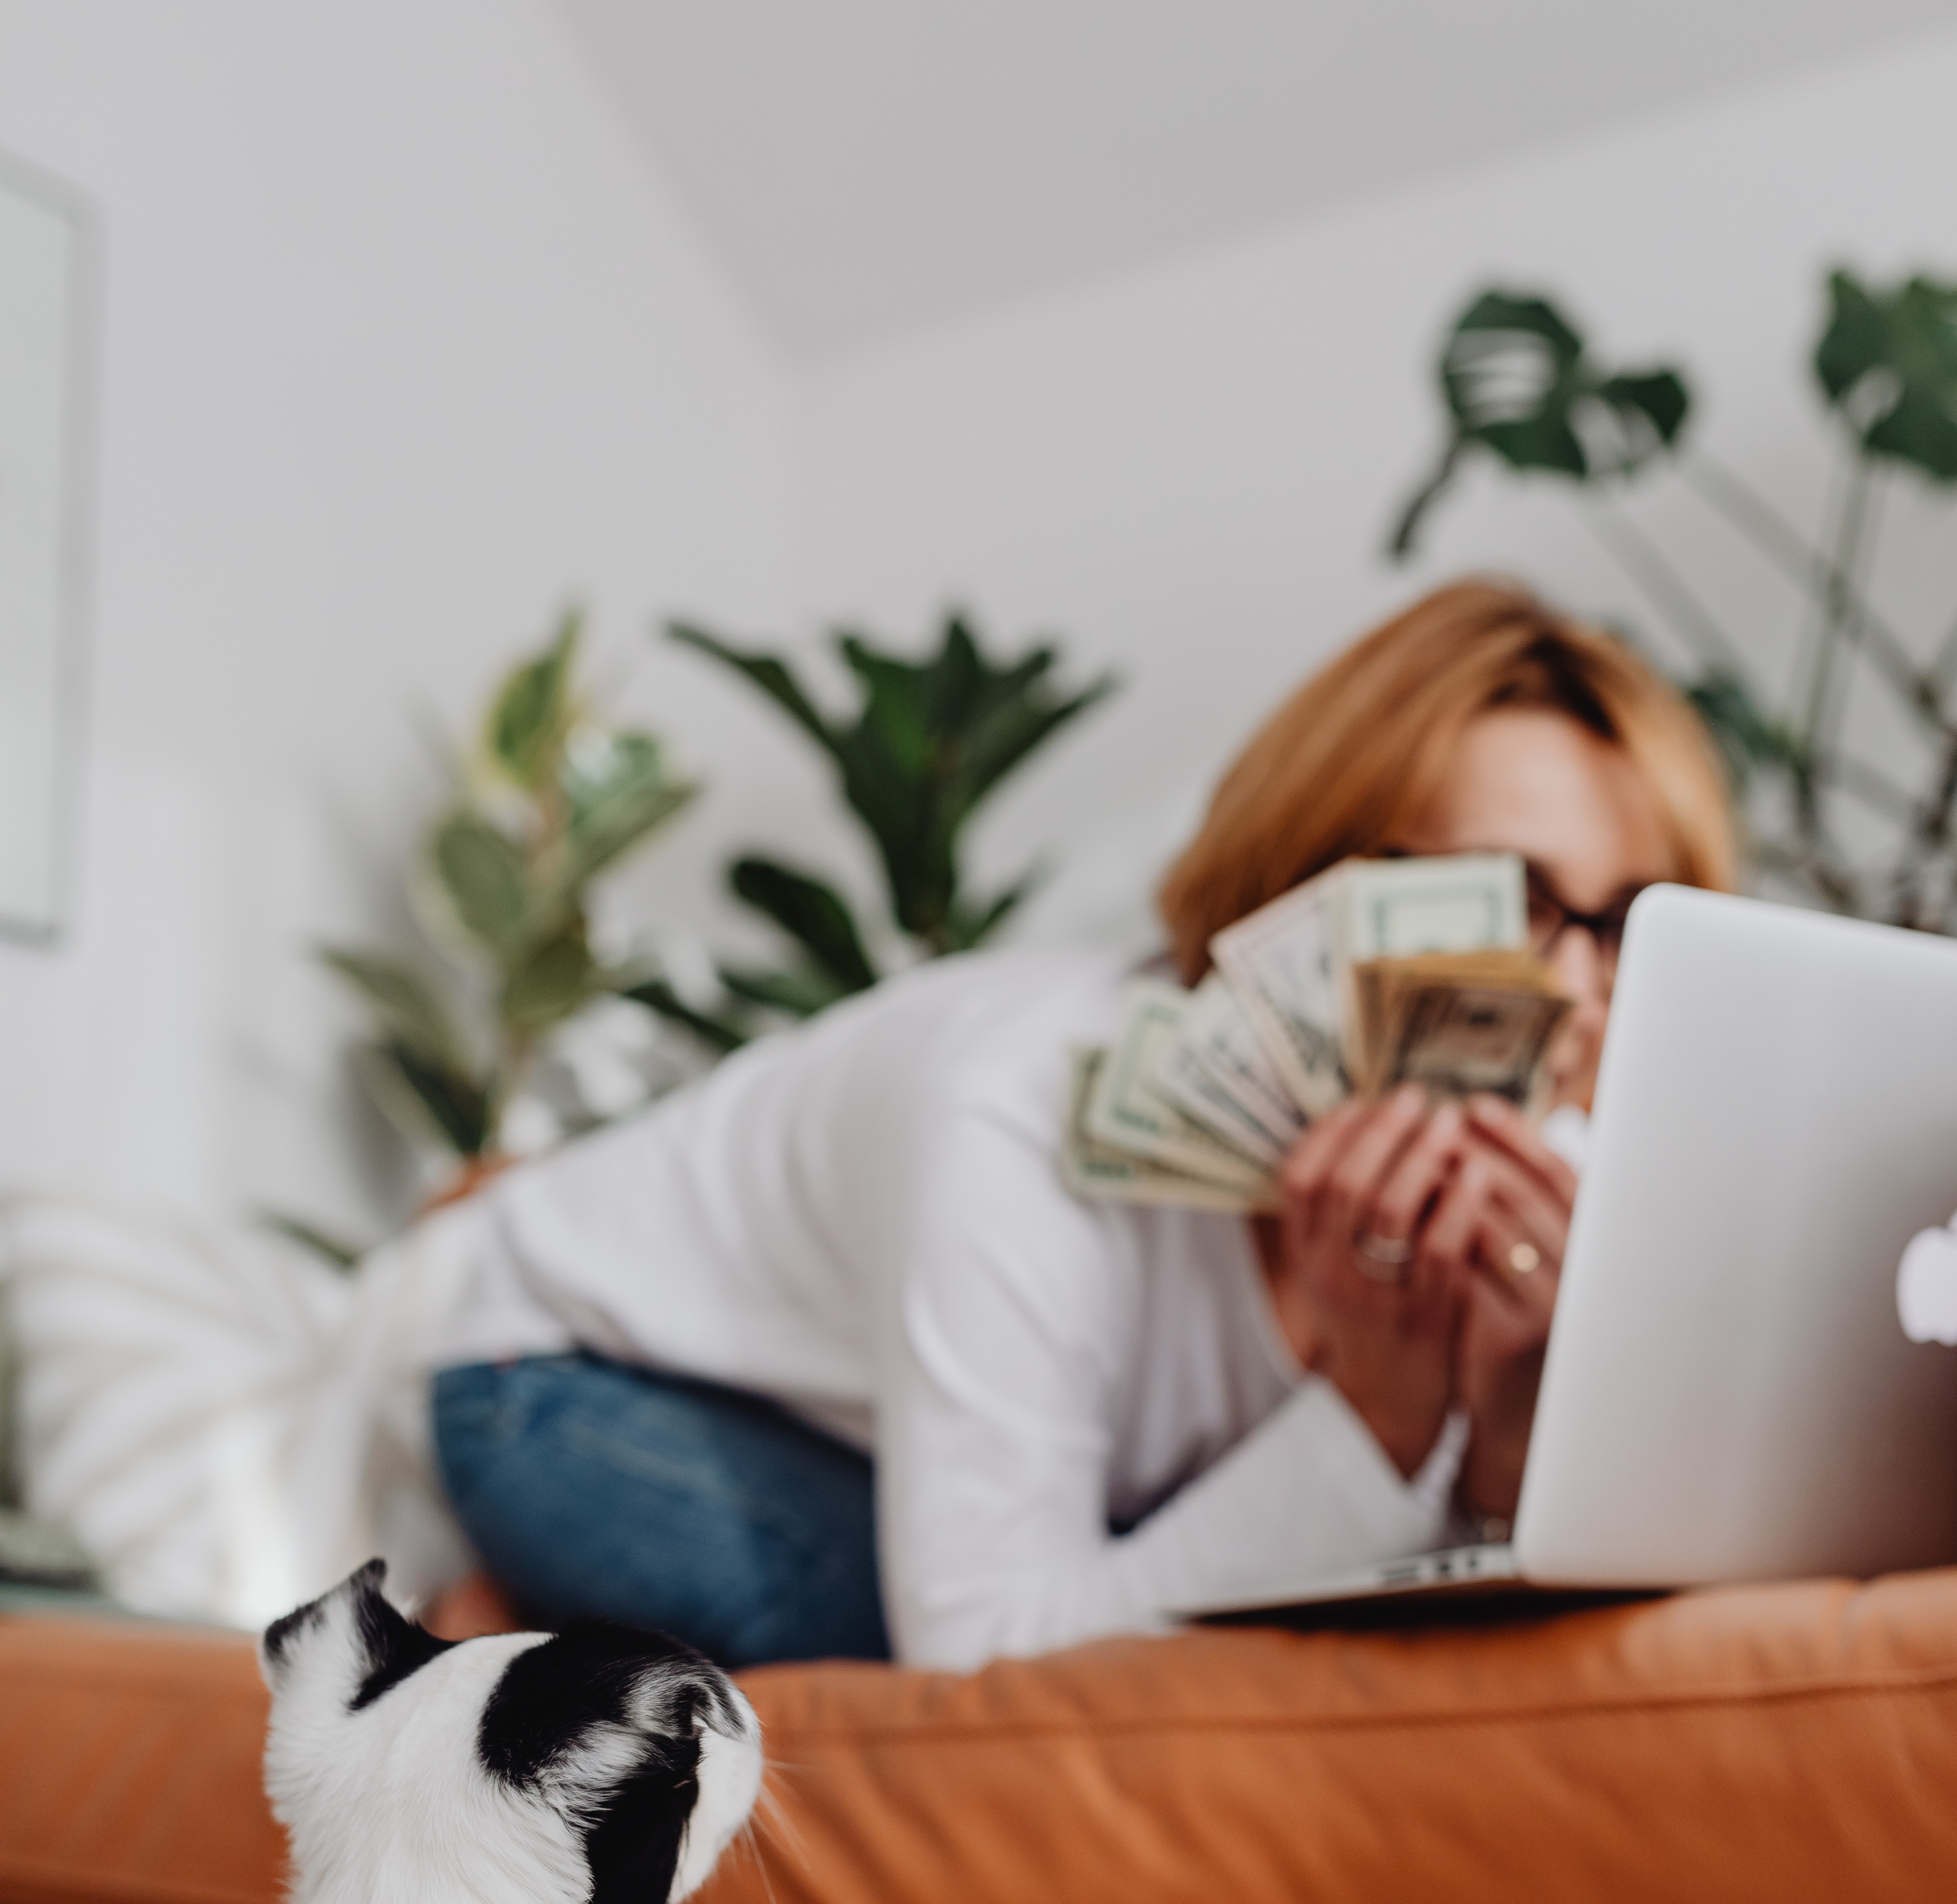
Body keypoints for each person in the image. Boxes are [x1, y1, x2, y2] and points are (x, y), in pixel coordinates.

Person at [428, 579, 1735, 1672]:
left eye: (1628, 924)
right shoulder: (1018, 1114)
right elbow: (988, 1652)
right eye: (1508, 900)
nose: (1570, 994)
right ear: (1316, 876)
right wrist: (1377, 1424)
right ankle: (500, 1626)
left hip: (919, 1430)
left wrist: (1506, 1423)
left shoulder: (1550, 1166)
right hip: (562, 1379)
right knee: (888, 1663)